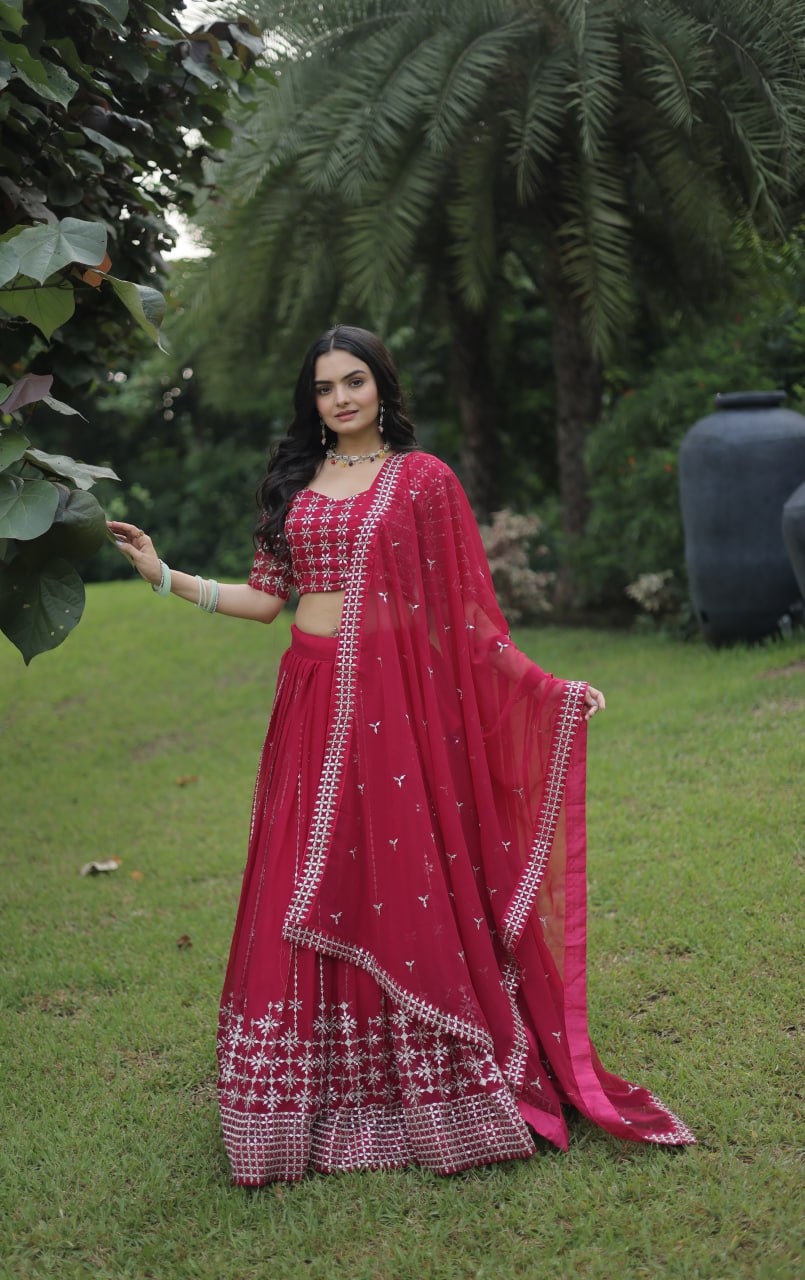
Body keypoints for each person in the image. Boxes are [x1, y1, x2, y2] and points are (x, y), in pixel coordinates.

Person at [109, 325, 695, 1186]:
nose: (340, 399)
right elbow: (267, 600)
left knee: (395, 878)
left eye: (354, 382)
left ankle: (432, 1090)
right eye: (323, 388)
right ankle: (304, 1106)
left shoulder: (423, 482)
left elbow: (467, 621)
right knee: (301, 883)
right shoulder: (295, 485)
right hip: (309, 706)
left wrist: (542, 688)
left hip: (391, 719)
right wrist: (164, 575)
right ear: (309, 401)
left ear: (382, 386)